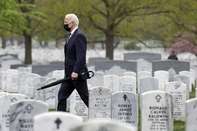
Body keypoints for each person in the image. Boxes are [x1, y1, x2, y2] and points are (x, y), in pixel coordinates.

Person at [57, 13, 89, 111]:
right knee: (62, 96)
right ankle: (60, 121)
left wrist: (75, 71)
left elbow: (81, 57)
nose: (64, 24)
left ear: (72, 23)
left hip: (77, 75)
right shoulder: (71, 36)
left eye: (66, 22)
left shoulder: (79, 36)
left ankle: (103, 116)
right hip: (69, 76)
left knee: (86, 99)